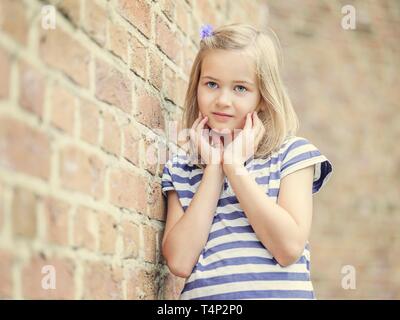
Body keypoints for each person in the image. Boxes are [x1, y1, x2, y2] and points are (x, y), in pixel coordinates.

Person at [161, 23, 333, 300]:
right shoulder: (181, 169)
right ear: (197, 87)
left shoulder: (292, 155)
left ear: (263, 98)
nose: (222, 100)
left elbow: (288, 248)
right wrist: (215, 169)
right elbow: (179, 262)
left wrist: (234, 167)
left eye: (240, 88)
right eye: (211, 84)